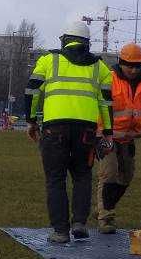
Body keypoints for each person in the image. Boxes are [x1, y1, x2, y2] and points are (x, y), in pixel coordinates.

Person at [24, 22, 115, 244]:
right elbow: (107, 103)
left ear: (65, 40)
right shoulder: (100, 67)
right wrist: (108, 132)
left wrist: (31, 121)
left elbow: (32, 91)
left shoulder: (48, 60)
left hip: (55, 128)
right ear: (87, 42)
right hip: (86, 130)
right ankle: (79, 223)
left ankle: (60, 231)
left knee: (55, 179)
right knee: (83, 175)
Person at [94, 42, 141, 232]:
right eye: (129, 65)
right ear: (121, 62)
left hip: (128, 138)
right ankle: (106, 218)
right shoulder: (108, 80)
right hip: (106, 135)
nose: (133, 70)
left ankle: (103, 208)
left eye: (137, 66)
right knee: (109, 174)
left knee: (126, 177)